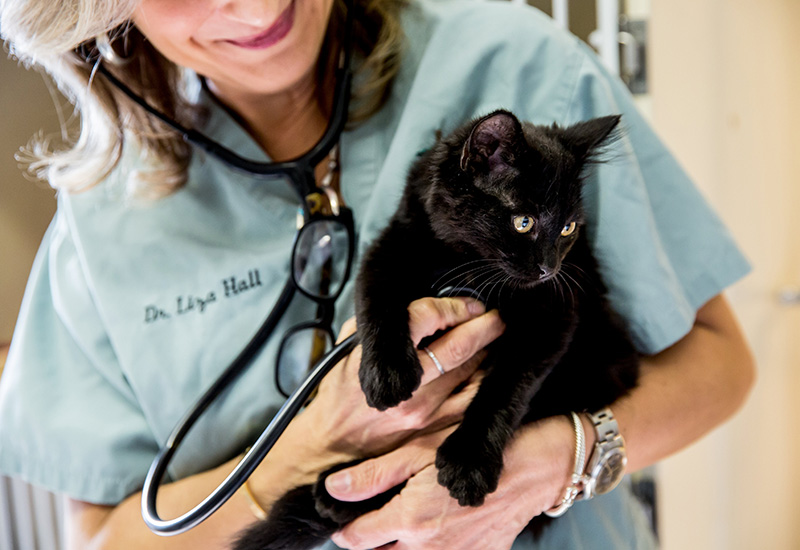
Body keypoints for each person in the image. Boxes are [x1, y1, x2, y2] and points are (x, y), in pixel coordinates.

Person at [0, 0, 755, 549]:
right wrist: (299, 454)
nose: (255, 4)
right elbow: (102, 539)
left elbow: (722, 361)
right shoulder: (101, 222)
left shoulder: (516, 62)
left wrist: (556, 460)